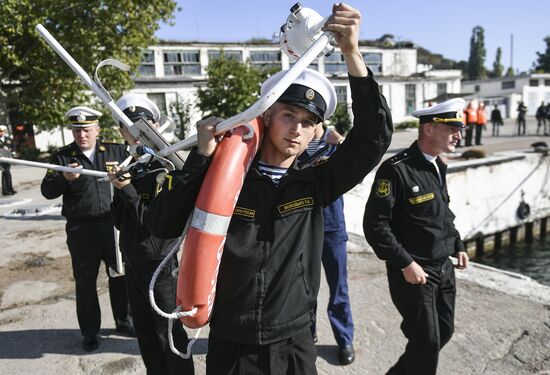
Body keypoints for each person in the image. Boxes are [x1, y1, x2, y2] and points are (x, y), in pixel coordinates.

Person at [144, 4, 393, 373]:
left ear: (315, 133)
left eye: (308, 122)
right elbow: (161, 225)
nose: (296, 129)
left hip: (293, 340)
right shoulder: (221, 178)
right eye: (288, 115)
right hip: (232, 341)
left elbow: (373, 139)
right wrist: (200, 158)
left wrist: (352, 54)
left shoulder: (317, 181)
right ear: (266, 116)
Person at [363, 98, 469, 375]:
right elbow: (375, 224)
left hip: (444, 267)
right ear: (430, 129)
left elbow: (442, 213)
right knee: (426, 342)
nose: (460, 134)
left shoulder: (437, 165)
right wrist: (404, 263)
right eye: (452, 128)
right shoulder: (396, 170)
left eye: (461, 128)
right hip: (415, 271)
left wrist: (457, 243)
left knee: (443, 332)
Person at [108, 94, 195, 374]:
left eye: (139, 126)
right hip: (134, 260)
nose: (132, 134)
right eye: (126, 128)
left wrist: (127, 190)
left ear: (155, 127)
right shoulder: (131, 165)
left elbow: (154, 222)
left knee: (168, 335)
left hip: (161, 263)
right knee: (145, 335)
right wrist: (120, 188)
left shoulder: (166, 165)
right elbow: (121, 221)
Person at [41, 106, 134, 352]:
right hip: (82, 229)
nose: (82, 135)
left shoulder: (115, 150)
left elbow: (135, 174)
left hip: (113, 226)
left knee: (119, 275)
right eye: (77, 130)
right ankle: (90, 333)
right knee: (85, 282)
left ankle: (124, 321)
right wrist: (65, 178)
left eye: (86, 130)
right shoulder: (62, 158)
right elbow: (47, 191)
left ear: (97, 129)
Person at [300, 124, 355, 365]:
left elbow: (356, 165)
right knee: (305, 288)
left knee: (339, 289)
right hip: (304, 228)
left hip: (332, 228)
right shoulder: (297, 145)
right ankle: (307, 336)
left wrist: (342, 142)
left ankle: (344, 339)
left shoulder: (335, 146)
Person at [0, 124, 16, 195]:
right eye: (0, 131)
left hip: (9, 158)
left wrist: (12, 152)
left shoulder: (8, 139)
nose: (1, 133)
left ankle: (5, 190)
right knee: (7, 173)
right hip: (2, 159)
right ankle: (10, 189)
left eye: (2, 131)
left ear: (5, 132)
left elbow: (13, 146)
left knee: (5, 173)